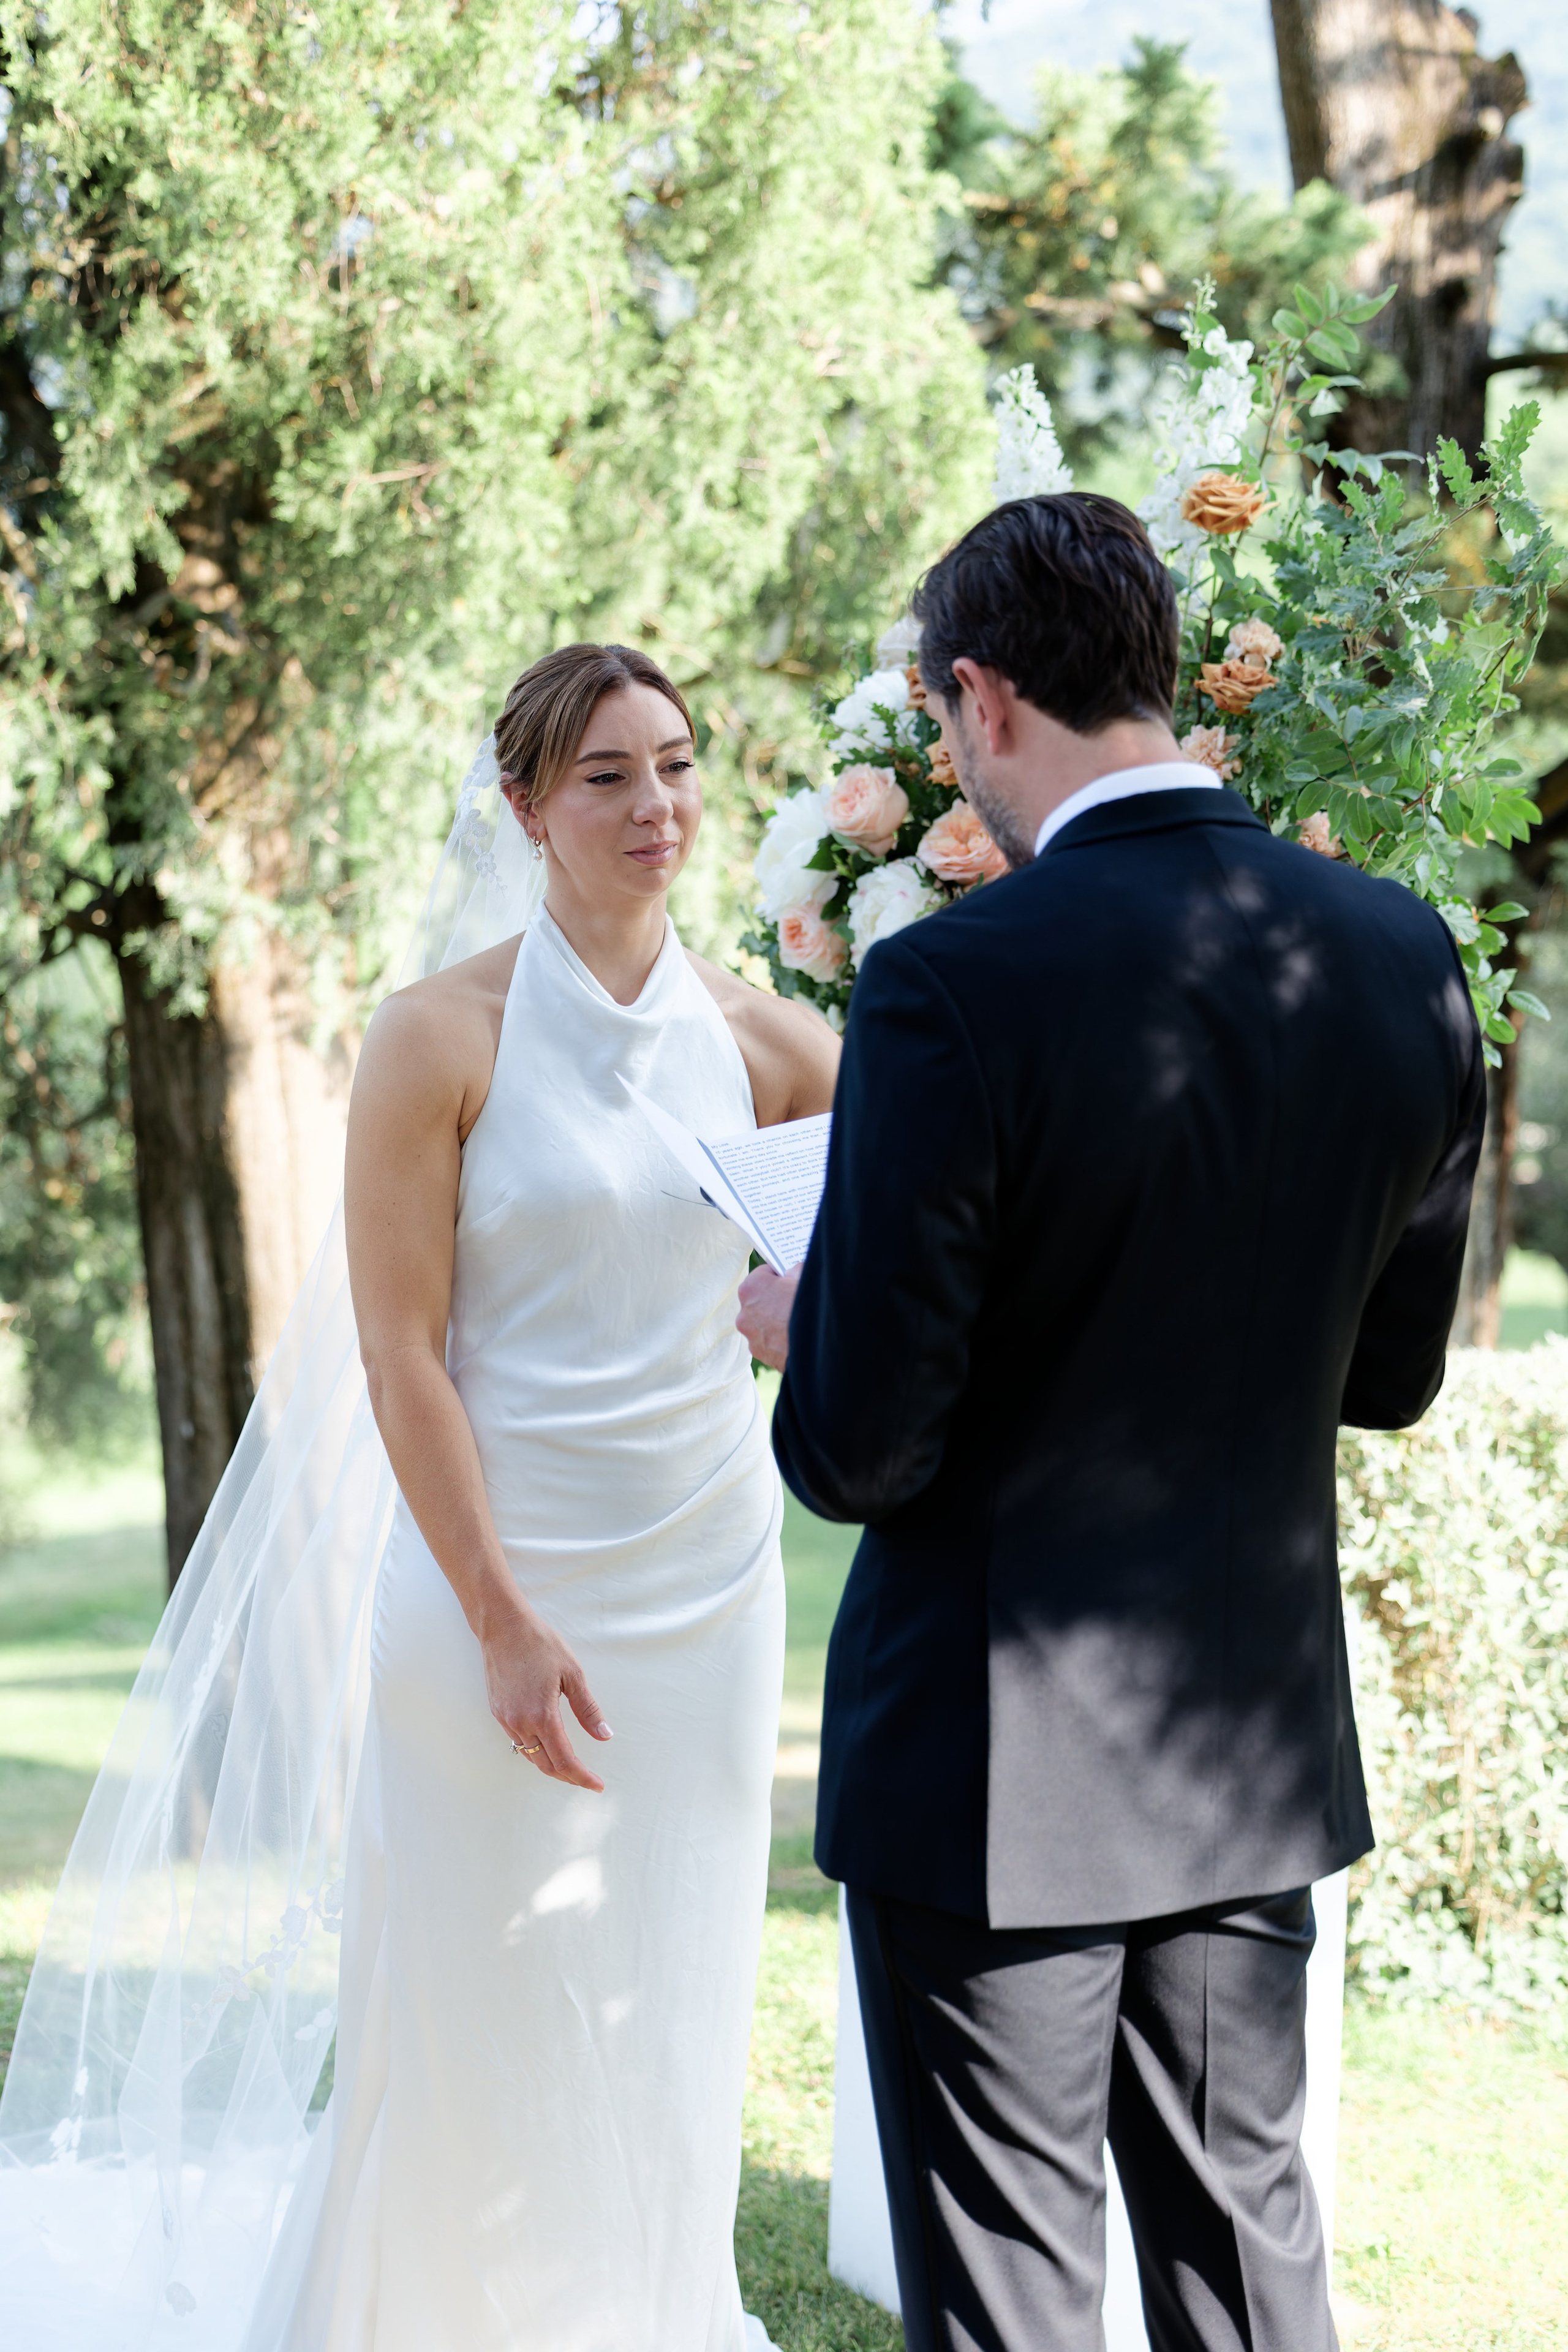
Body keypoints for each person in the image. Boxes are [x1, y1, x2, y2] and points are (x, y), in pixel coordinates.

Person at [0, 643, 836, 2352]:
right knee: (474, 1999)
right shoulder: (435, 1039)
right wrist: (504, 1623)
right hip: (489, 1593)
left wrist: (799, 1321)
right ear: (524, 807)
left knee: (668, 1989)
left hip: (708, 1594)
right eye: (604, 775)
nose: (654, 805)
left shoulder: (775, 1045)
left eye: (673, 765)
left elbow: (876, 1284)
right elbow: (402, 1360)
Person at [737, 496, 1485, 2352]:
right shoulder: (1400, 954)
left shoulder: (951, 983)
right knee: (1251, 2276)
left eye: (939, 718)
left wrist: (796, 1313)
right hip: (1247, 1748)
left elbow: (859, 1446)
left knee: (1013, 2305)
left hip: (992, 1773)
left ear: (981, 697)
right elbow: (1387, 1377)